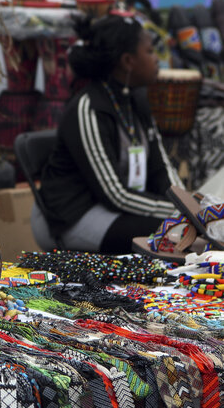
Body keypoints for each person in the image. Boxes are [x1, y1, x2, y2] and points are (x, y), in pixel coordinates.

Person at [31, 13, 181, 254]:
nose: (157, 60)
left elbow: (161, 168)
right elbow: (115, 194)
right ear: (128, 61)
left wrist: (187, 204)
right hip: (72, 215)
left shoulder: (137, 101)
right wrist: (178, 213)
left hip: (114, 208)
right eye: (150, 51)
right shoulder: (89, 107)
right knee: (174, 233)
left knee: (183, 228)